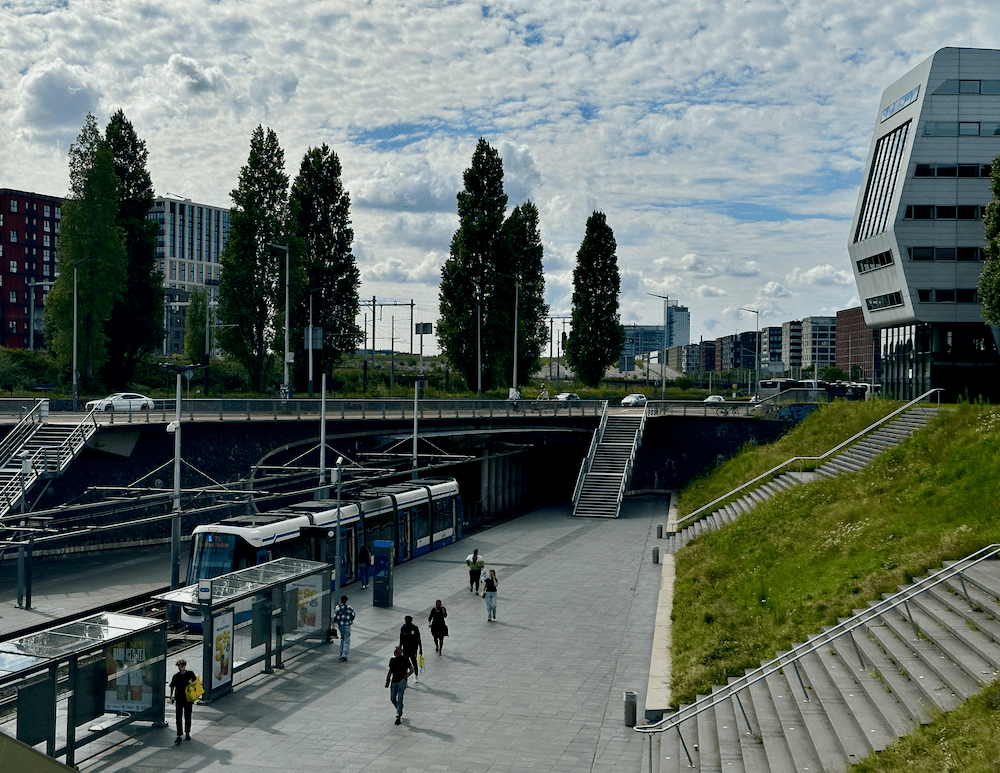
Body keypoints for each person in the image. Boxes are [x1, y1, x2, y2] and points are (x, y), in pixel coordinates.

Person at [168, 659, 197, 744]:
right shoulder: (176, 676)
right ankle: (179, 734)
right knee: (179, 716)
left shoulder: (190, 674)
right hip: (179, 698)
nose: (179, 668)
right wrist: (171, 696)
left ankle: (187, 732)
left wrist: (194, 693)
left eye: (180, 666)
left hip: (188, 698)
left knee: (188, 716)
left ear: (184, 666)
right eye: (178, 667)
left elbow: (196, 683)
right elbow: (172, 686)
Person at [385, 646, 414, 725]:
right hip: (394, 681)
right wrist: (387, 680)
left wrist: (405, 676)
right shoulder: (392, 660)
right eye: (394, 652)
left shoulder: (405, 659)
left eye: (397, 652)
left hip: (402, 681)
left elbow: (412, 670)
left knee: (400, 698)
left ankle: (398, 715)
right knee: (392, 698)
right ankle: (399, 708)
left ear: (401, 652)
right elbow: (390, 671)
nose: (395, 654)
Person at [399, 615, 423, 682]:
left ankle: (416, 675)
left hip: (413, 649)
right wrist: (400, 647)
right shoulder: (403, 628)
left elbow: (419, 639)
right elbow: (401, 638)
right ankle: (405, 678)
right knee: (405, 664)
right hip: (405, 649)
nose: (407, 622)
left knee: (414, 662)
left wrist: (420, 649)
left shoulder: (415, 628)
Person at [333, 595, 356, 661]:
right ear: (346, 600)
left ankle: (341, 653)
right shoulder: (349, 608)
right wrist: (350, 620)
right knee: (347, 639)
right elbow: (353, 615)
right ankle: (345, 654)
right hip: (347, 625)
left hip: (340, 626)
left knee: (342, 638)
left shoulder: (338, 607)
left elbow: (335, 617)